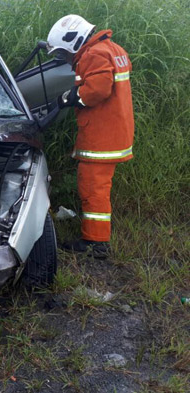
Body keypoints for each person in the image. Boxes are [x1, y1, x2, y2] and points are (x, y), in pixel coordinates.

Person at [46, 14, 134, 259]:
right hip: (114, 132)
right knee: (98, 188)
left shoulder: (93, 54)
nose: (66, 58)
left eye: (63, 52)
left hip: (102, 138)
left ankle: (96, 243)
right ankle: (97, 238)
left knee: (93, 189)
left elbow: (98, 89)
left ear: (74, 41)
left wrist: (72, 97)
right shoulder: (113, 49)